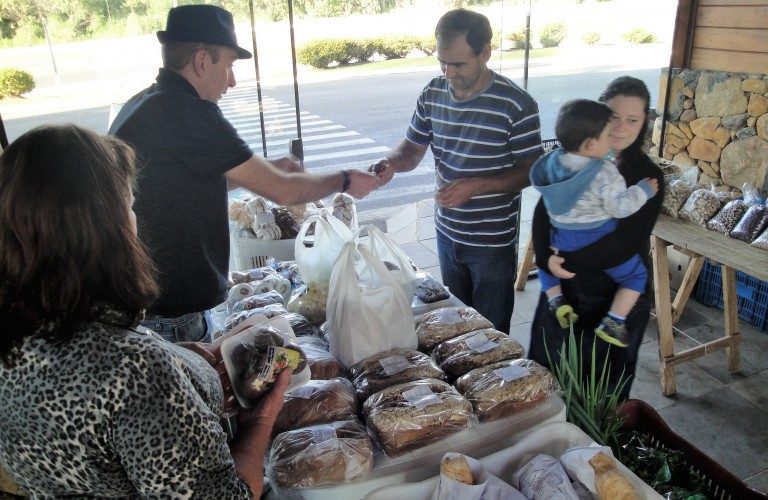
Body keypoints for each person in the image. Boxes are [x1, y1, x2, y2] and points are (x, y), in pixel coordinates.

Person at [0, 124, 288, 497]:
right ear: (107, 231)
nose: (136, 219)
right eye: (129, 206)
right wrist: (259, 421)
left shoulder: (16, 337)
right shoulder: (137, 371)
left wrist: (180, 360)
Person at [109, 5, 380, 343]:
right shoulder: (190, 113)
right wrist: (345, 180)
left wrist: (263, 170)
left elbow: (183, 182)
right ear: (202, 61)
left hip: (148, 299)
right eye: (229, 66)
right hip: (169, 312)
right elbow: (283, 192)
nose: (232, 81)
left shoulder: (147, 102)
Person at [370, 8, 543, 333]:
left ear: (485, 52)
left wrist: (475, 186)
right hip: (448, 235)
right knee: (454, 326)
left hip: (492, 244)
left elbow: (531, 172)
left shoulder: (516, 105)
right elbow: (410, 149)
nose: (448, 72)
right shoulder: (433, 93)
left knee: (490, 335)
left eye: (458, 64)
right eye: (442, 62)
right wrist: (391, 163)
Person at [528, 76, 665, 400]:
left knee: (599, 396)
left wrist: (562, 262)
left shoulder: (647, 176)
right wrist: (546, 258)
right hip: (567, 292)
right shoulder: (569, 157)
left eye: (632, 119)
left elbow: (627, 241)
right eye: (613, 116)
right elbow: (543, 212)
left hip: (612, 295)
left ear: (644, 121)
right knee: (544, 384)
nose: (620, 127)